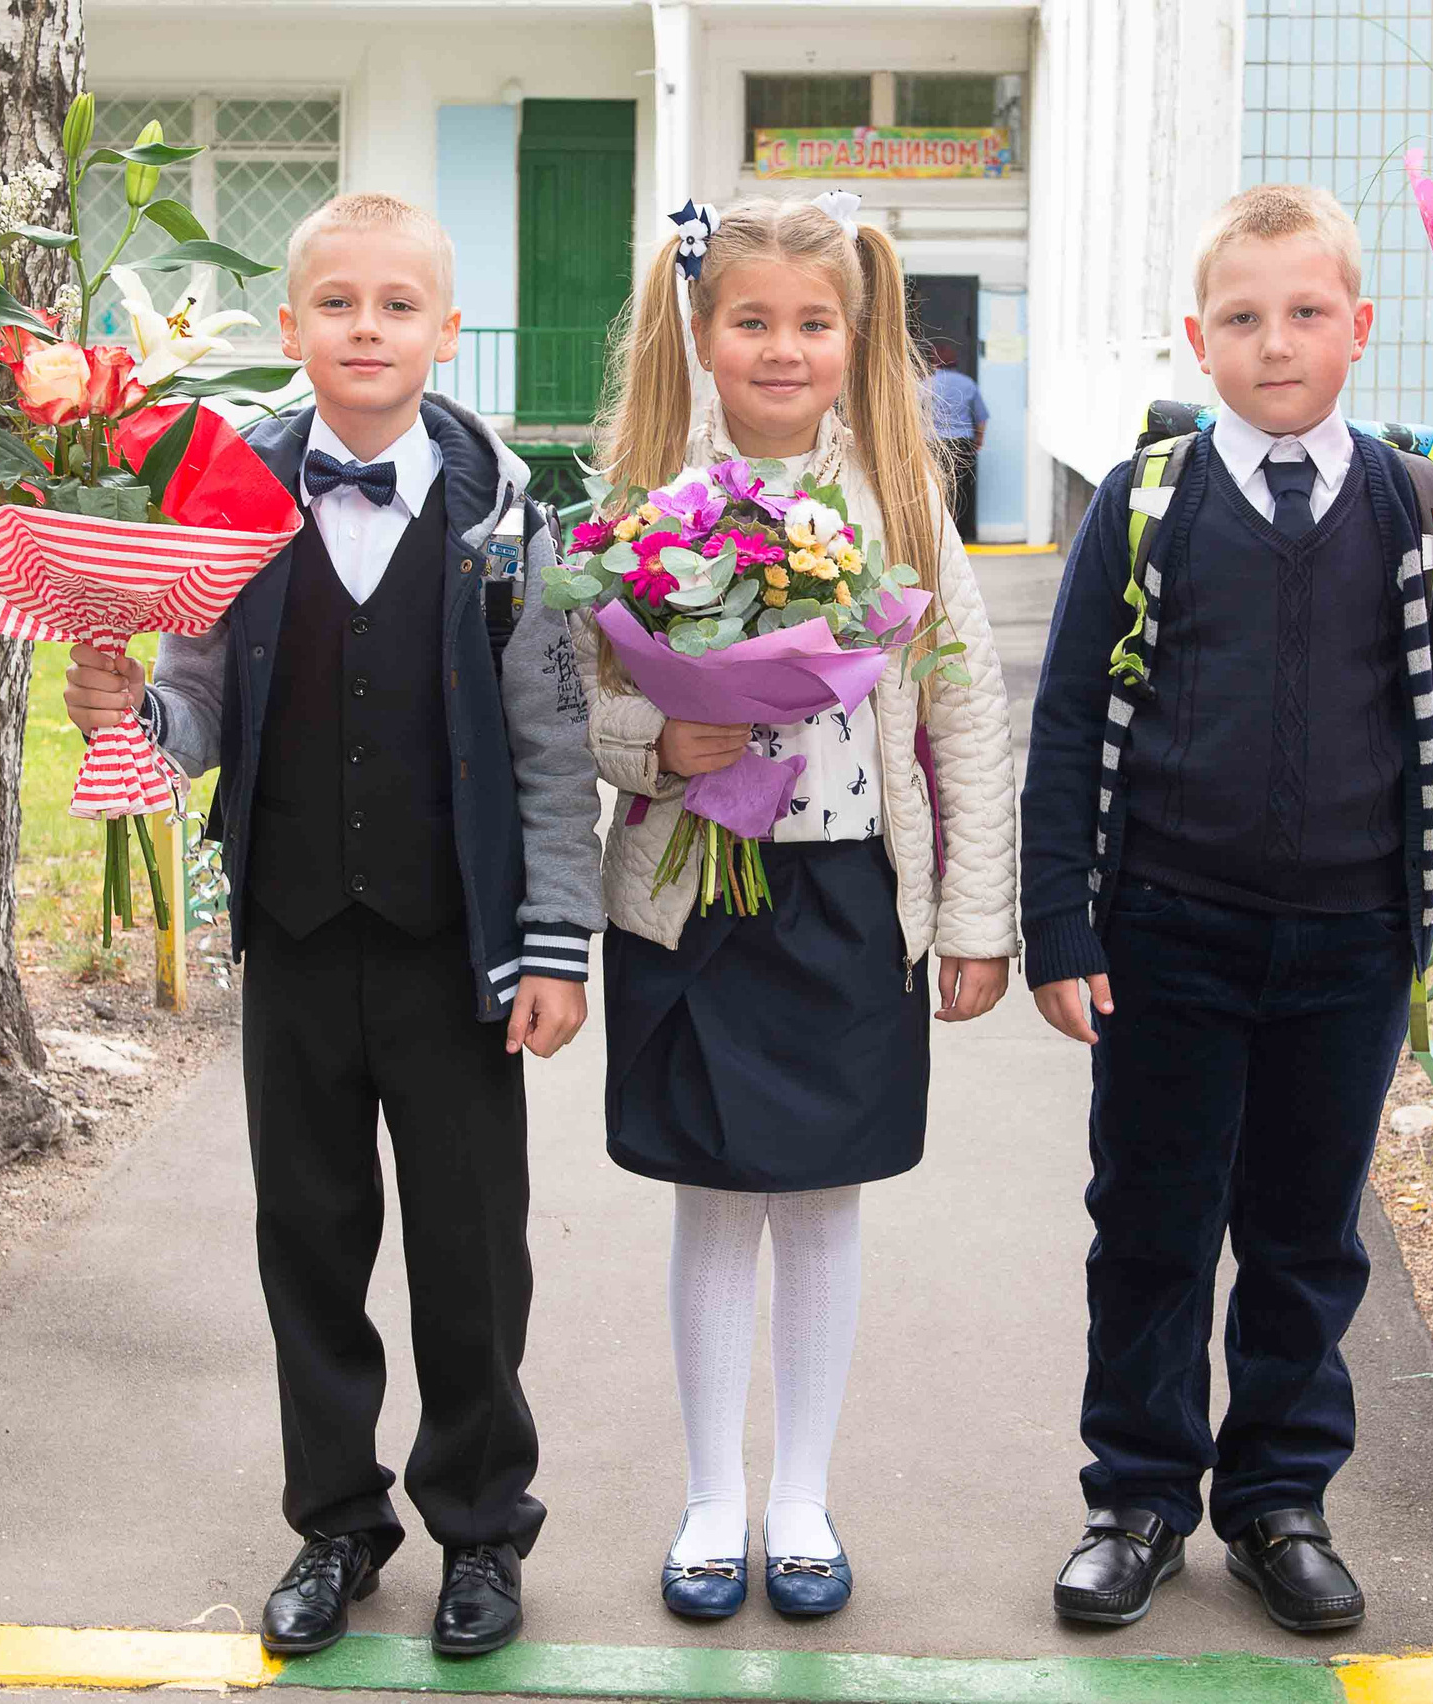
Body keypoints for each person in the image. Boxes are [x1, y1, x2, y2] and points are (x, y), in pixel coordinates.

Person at [1019, 184, 1433, 1636]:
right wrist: (1063, 926)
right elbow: (1063, 720)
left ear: (1359, 329)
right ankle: (1140, 1497)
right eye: (1242, 318)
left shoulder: (1411, 503)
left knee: (1304, 1235)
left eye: (1304, 315)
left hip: (1351, 944)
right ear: (1198, 338)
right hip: (1168, 931)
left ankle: (1281, 1501)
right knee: (1153, 1223)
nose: (1274, 342)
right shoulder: (1146, 503)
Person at [60, 192, 602, 1661]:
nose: (369, 329)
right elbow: (197, 709)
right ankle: (336, 1525)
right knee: (307, 1236)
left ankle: (482, 1529)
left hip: (455, 952)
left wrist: (556, 942)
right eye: (338, 305)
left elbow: (552, 746)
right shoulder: (223, 505)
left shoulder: (510, 522)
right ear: (292, 328)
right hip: (295, 936)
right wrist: (125, 711)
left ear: (445, 327)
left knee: (473, 1250)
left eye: (399, 305)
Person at [579, 195, 1017, 1620]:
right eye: (752, 322)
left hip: (845, 898)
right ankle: (713, 1502)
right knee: (714, 1196)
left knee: (822, 1199)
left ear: (854, 335)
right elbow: (580, 695)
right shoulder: (644, 486)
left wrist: (971, 920)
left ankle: (805, 1499)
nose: (782, 349)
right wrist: (663, 745)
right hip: (696, 899)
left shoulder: (896, 495)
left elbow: (964, 713)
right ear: (703, 333)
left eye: (812, 324)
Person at [925, 339, 988, 542]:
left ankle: (939, 534)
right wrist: (978, 440)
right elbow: (981, 417)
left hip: (934, 444)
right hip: (962, 442)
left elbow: (915, 416)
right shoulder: (968, 383)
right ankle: (963, 533)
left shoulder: (925, 385)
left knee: (936, 488)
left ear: (934, 361)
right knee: (963, 489)